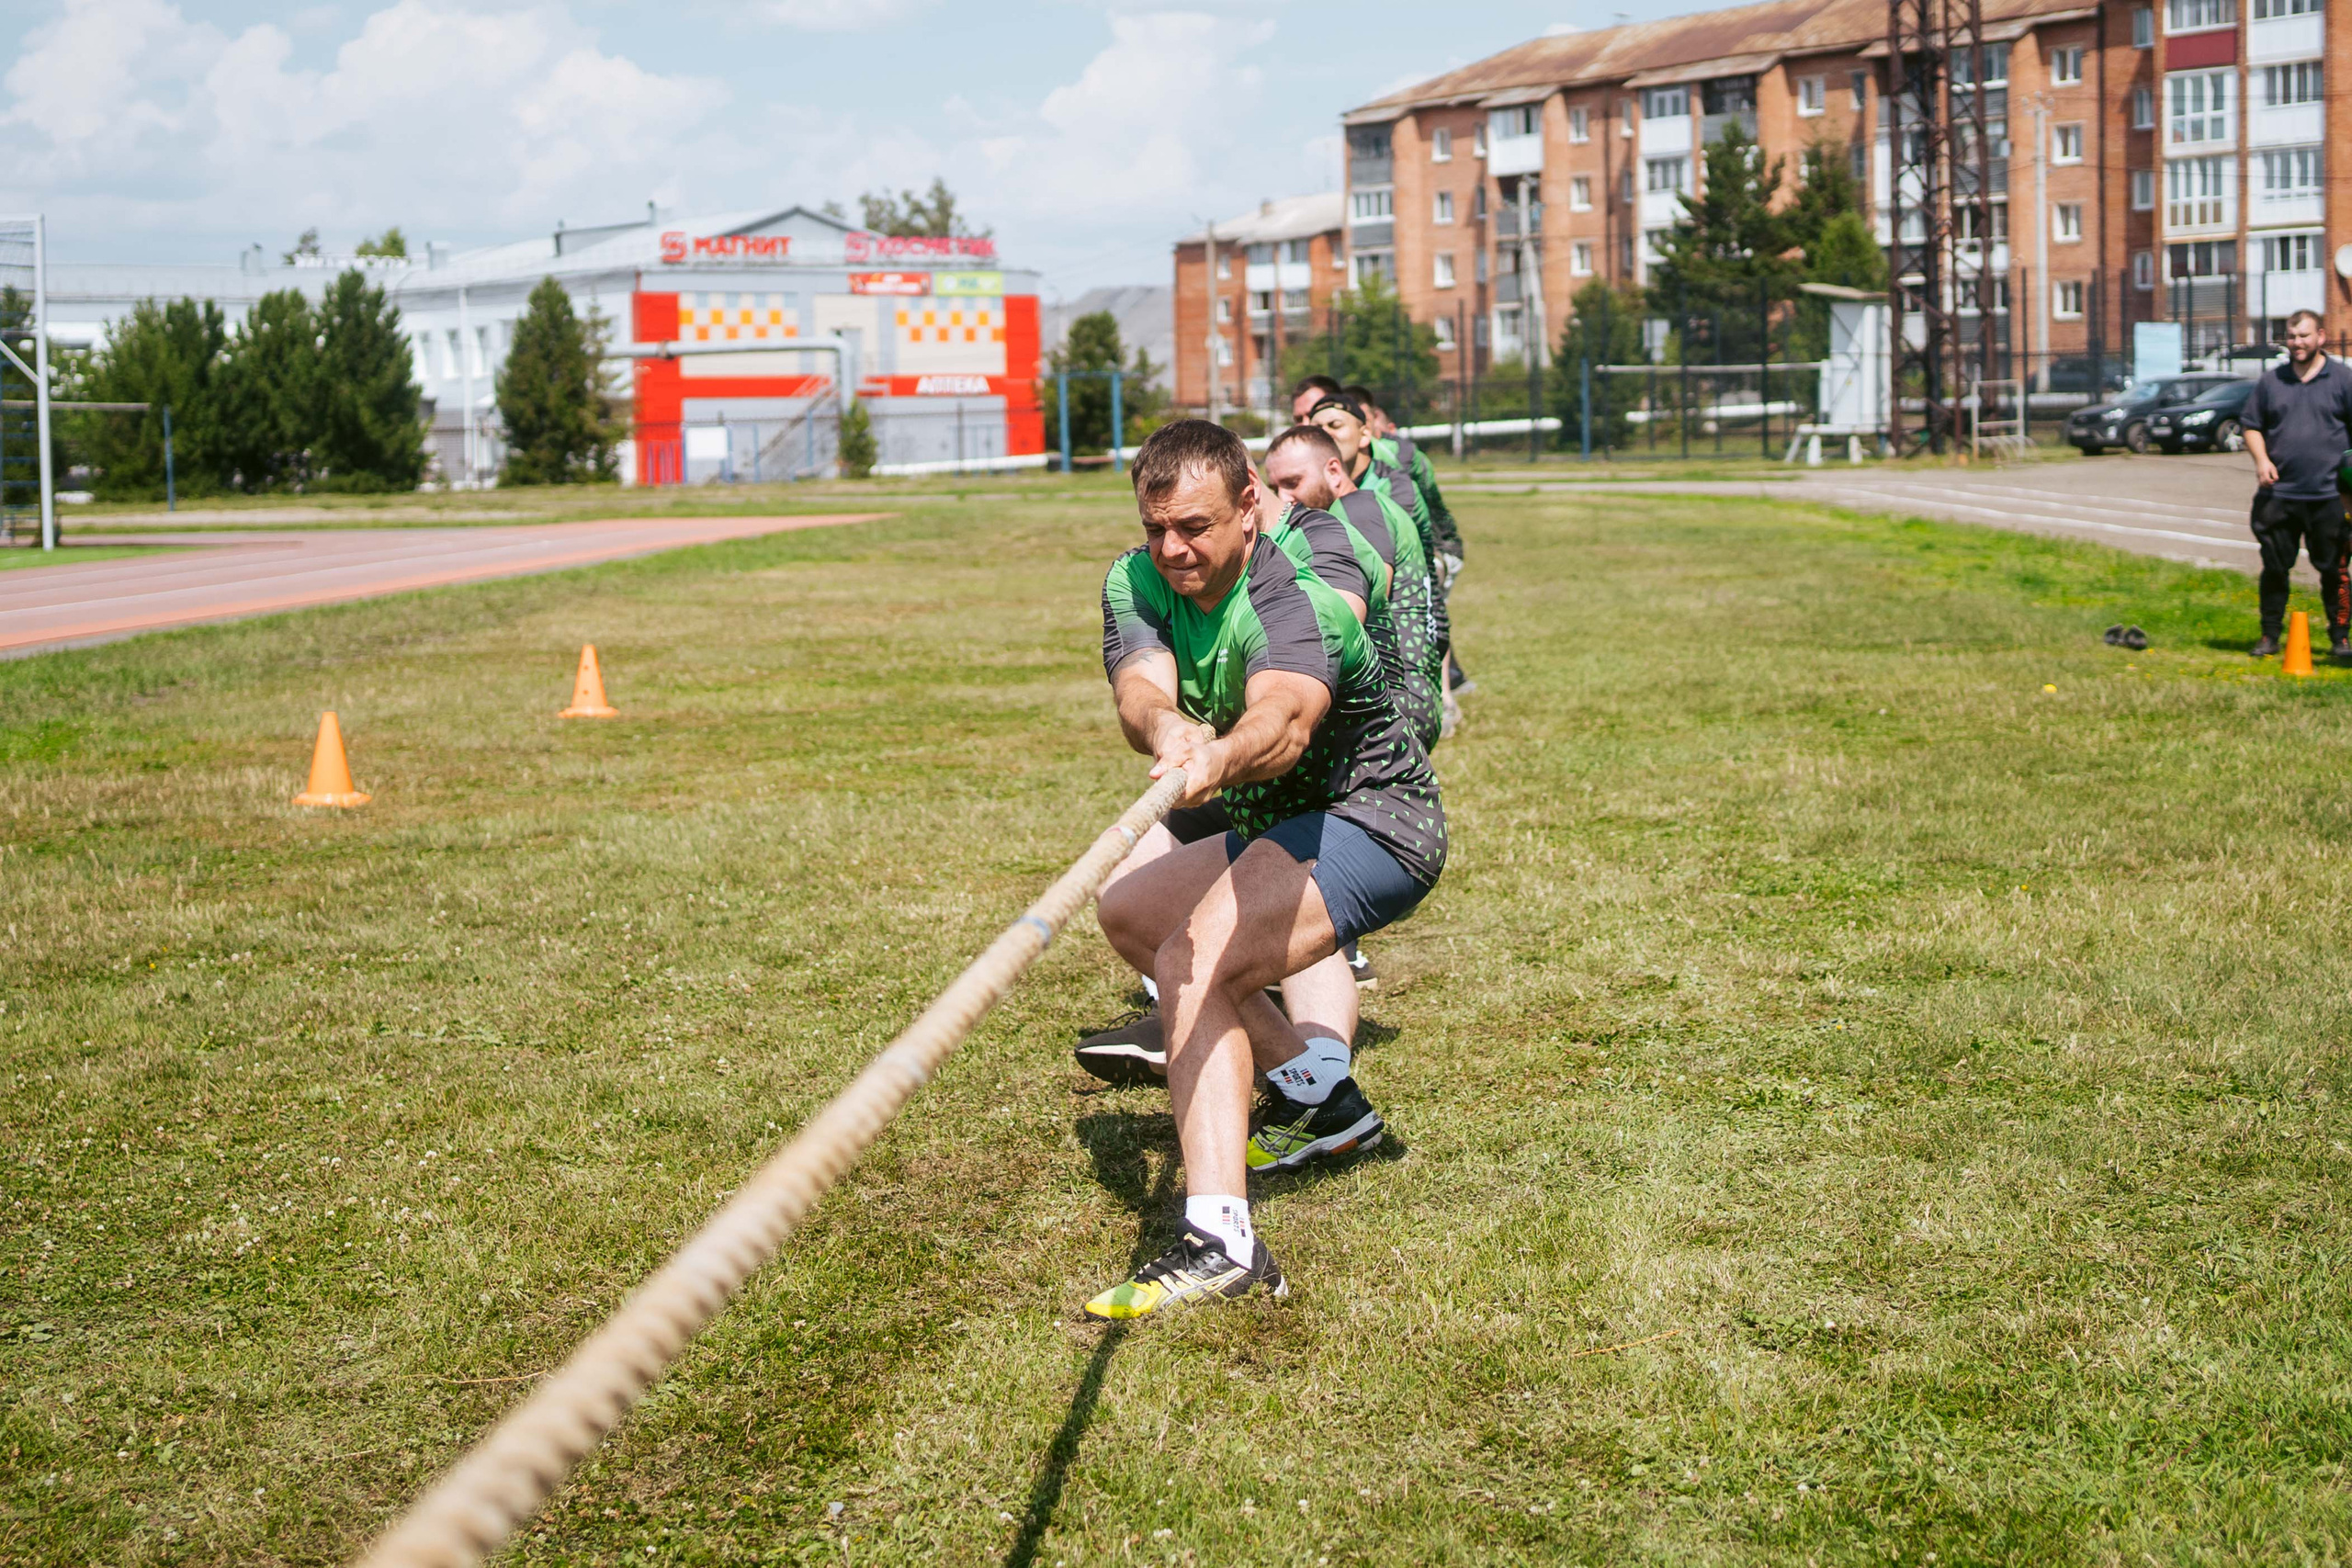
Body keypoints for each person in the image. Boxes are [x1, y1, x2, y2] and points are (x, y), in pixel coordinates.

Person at [1084, 420, 1446, 1318]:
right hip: (1277, 827)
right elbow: (1139, 680)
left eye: (1195, 527)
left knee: (1195, 963)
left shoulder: (1294, 604)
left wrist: (1220, 758)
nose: (1172, 549)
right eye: (1155, 527)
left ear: (1251, 506)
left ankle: (1223, 1243)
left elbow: (1282, 722)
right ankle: (1324, 1102)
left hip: (1373, 821)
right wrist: (1168, 730)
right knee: (1131, 914)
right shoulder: (1134, 579)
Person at [2242, 310, 2352, 660]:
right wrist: (2262, 461)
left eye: (2303, 336)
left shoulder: (2343, 379)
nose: (2297, 343)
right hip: (2280, 495)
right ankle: (2269, 636)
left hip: (2330, 496)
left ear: (2321, 335)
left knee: (2336, 571)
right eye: (2291, 337)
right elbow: (2251, 424)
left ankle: (2340, 639)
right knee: (2274, 567)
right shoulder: (2272, 382)